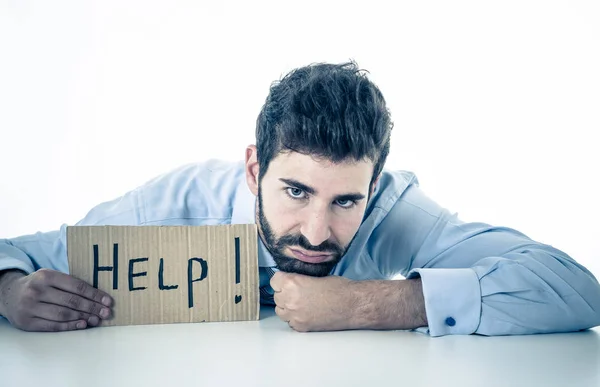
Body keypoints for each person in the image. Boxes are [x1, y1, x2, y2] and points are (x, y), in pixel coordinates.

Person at [1, 61, 599, 336]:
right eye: (295, 191)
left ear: (374, 185)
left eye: (345, 201)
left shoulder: (395, 213)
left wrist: (374, 305)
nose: (316, 232)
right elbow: (17, 253)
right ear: (256, 170)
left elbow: (575, 289)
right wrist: (10, 292)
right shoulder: (176, 206)